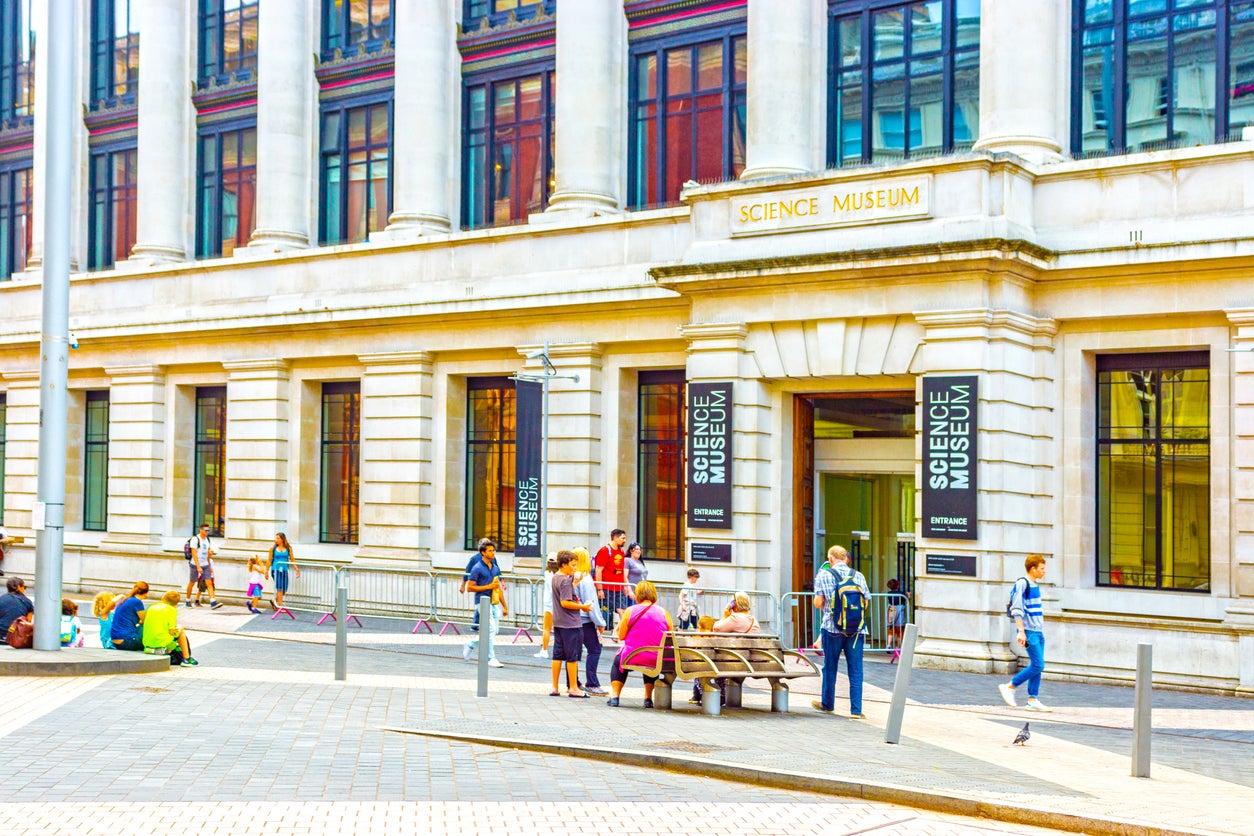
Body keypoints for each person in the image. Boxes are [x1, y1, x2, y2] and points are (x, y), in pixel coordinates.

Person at [812, 545, 870, 719]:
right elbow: (866, 602)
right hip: (856, 631)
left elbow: (817, 602)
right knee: (856, 670)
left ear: (830, 559)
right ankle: (856, 710)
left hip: (832, 628)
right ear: (846, 558)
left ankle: (828, 705)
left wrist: (827, 606)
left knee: (830, 667)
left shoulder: (824, 574)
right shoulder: (858, 575)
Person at [607, 580, 673, 708]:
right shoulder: (664, 612)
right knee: (650, 664)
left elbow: (621, 636)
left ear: (638, 594)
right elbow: (670, 636)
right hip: (656, 657)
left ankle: (615, 696)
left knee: (617, 663)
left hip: (633, 655)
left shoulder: (631, 610)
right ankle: (647, 698)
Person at [999, 554, 1052, 712]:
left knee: (1038, 665)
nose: (1044, 572)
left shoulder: (1035, 585)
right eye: (1042, 569)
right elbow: (1017, 609)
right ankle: (1010, 686)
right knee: (1038, 664)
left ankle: (1032, 699)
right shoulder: (1022, 584)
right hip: (1028, 631)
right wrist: (1021, 632)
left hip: (1038, 631)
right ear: (1033, 569)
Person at [549, 550, 591, 698]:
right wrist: (583, 607)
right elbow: (565, 602)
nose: (574, 568)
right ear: (564, 564)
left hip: (559, 622)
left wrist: (574, 582)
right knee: (572, 657)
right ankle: (573, 687)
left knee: (557, 655)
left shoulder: (556, 577)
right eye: (573, 565)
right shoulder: (565, 580)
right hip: (571, 623)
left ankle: (554, 687)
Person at [463, 538, 505, 668]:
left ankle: (472, 643)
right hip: (481, 601)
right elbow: (470, 588)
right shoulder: (477, 568)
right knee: (490, 629)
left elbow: (496, 587)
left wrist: (505, 605)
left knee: (493, 630)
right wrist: (488, 587)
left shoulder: (495, 567)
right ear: (483, 553)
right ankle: (490, 657)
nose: (493, 553)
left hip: (493, 601)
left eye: (493, 550)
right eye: (490, 551)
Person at [573, 547, 607, 696]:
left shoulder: (572, 577)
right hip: (584, 620)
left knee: (573, 652)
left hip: (572, 619)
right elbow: (591, 604)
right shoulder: (586, 579)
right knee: (594, 649)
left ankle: (573, 681)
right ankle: (592, 683)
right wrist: (600, 622)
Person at [143, 590, 198, 667]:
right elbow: (172, 631)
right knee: (180, 628)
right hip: (162, 646)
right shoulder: (172, 610)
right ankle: (186, 659)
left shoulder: (151, 607)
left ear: (163, 598)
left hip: (147, 645)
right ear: (176, 604)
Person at [594, 528, 628, 632]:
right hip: (607, 587)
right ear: (615, 538)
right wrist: (600, 589)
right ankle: (606, 633)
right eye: (623, 538)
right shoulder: (605, 551)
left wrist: (626, 586)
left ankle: (618, 632)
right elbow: (598, 570)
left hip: (619, 588)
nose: (624, 540)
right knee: (610, 611)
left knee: (622, 611)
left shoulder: (621, 551)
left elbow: (621, 570)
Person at [185, 524, 222, 609]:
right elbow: (194, 554)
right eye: (206, 530)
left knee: (209, 583)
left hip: (205, 564)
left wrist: (209, 560)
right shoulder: (195, 539)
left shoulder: (208, 539)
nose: (207, 532)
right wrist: (198, 566)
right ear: (200, 530)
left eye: (208, 530)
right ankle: (187, 600)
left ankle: (213, 601)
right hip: (194, 564)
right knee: (192, 582)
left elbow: (207, 553)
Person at [110, 582, 150, 651]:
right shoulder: (137, 602)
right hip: (127, 640)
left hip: (115, 640)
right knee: (145, 627)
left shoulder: (124, 600)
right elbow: (145, 621)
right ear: (146, 592)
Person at [688, 615, 717, 704]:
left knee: (698, 676)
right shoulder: (715, 639)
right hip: (716, 667)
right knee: (719, 680)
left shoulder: (698, 639)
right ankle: (722, 695)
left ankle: (702, 695)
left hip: (701, 666)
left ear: (700, 627)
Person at [533, 553, 558, 659]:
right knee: (560, 629)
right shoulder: (560, 574)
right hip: (559, 604)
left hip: (549, 604)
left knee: (546, 629)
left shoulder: (547, 573)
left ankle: (544, 650)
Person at [267, 532, 300, 611]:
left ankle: (274, 601)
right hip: (276, 569)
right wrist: (266, 571)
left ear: (282, 539)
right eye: (276, 538)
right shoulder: (273, 548)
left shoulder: (288, 548)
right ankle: (280, 606)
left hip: (284, 569)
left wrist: (296, 569)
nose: (276, 540)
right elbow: (269, 560)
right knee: (279, 588)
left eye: (278, 538)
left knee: (284, 589)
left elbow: (292, 559)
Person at [885, 578, 908, 662]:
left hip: (891, 608)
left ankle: (888, 645)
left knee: (891, 628)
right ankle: (898, 647)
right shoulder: (901, 593)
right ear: (897, 585)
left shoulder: (889, 593)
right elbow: (907, 598)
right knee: (900, 629)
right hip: (899, 609)